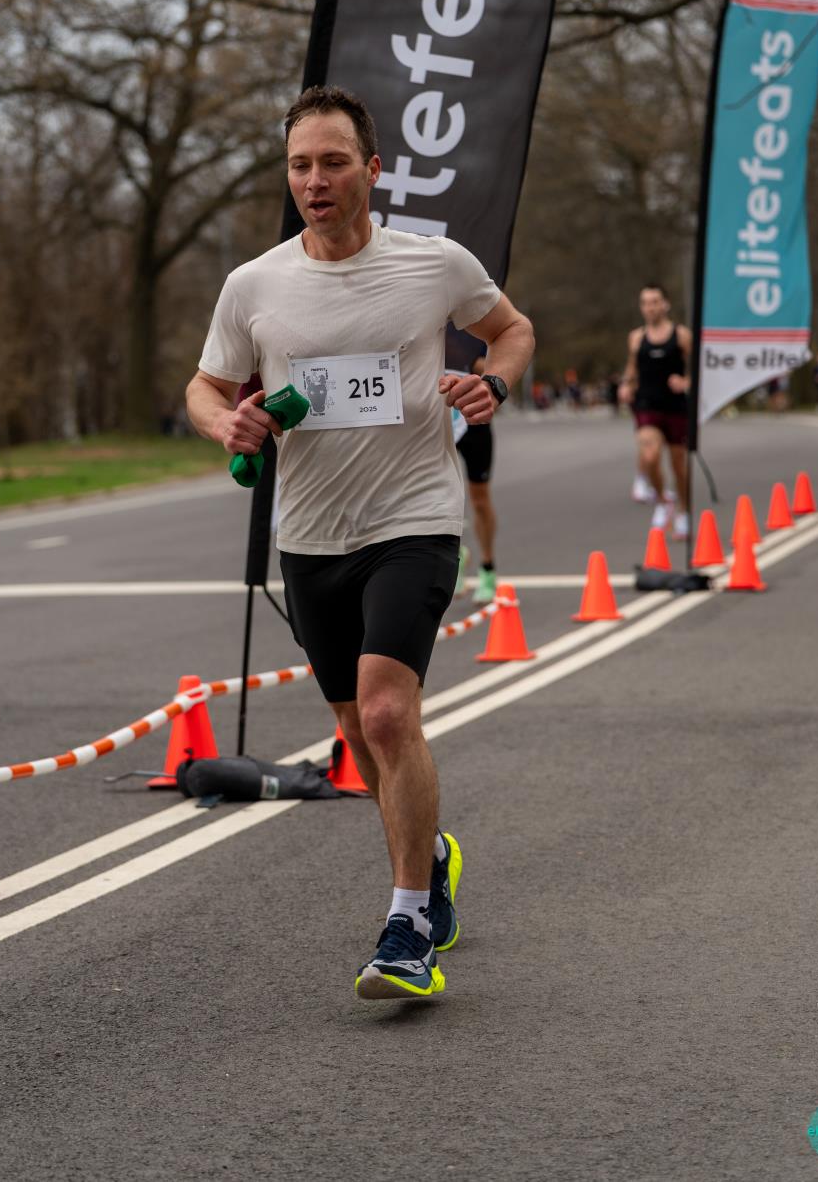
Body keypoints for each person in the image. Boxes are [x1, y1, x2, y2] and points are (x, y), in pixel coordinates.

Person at [186, 85, 534, 1002]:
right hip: (310, 536)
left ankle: (408, 923)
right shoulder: (254, 285)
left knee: (386, 713)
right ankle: (433, 856)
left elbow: (512, 328)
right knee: (355, 731)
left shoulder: (433, 263)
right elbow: (205, 385)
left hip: (414, 519)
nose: (315, 180)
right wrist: (226, 424)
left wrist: (493, 383)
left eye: (334, 162)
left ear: (373, 169)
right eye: (300, 165)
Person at [618, 283, 692, 540]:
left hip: (675, 406)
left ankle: (683, 510)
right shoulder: (636, 338)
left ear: (665, 304)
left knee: (678, 465)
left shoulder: (681, 335)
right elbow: (632, 368)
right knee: (649, 456)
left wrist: (686, 382)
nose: (650, 307)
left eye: (655, 302)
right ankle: (662, 500)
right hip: (647, 404)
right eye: (646, 303)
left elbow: (697, 369)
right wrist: (626, 385)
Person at [446, 325, 499, 604]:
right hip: (439, 416)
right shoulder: (426, 316)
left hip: (473, 418)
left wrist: (462, 356)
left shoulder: (475, 324)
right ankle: (454, 559)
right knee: (442, 496)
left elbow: (491, 368)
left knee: (479, 498)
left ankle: (487, 567)